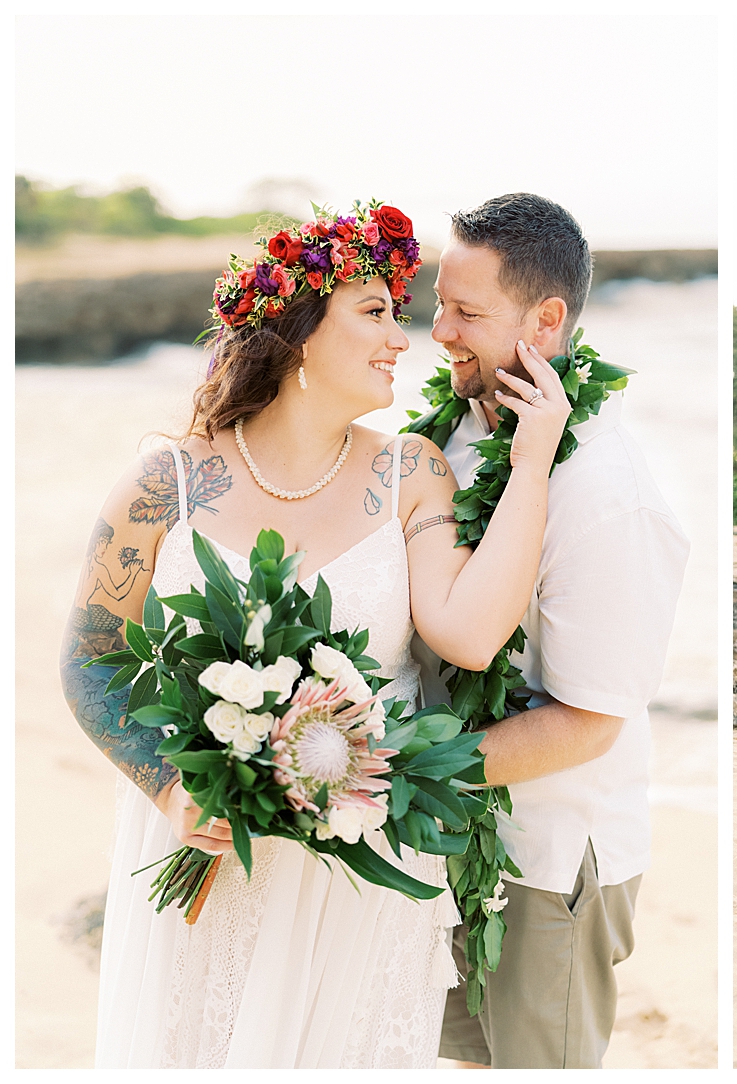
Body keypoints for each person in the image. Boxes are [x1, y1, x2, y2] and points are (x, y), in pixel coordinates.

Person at [59, 201, 570, 1068]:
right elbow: (91, 656)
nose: (401, 339)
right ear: (297, 332)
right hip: (206, 849)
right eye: (374, 313)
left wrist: (531, 461)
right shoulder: (166, 482)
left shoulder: (412, 469)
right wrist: (170, 788)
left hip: (359, 866)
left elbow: (473, 635)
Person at [419, 193, 689, 1070]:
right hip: (450, 844)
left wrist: (395, 772)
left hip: (546, 862)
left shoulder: (610, 494)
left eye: (467, 313)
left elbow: (589, 720)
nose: (440, 333)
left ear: (546, 318)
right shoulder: (457, 433)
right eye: (438, 303)